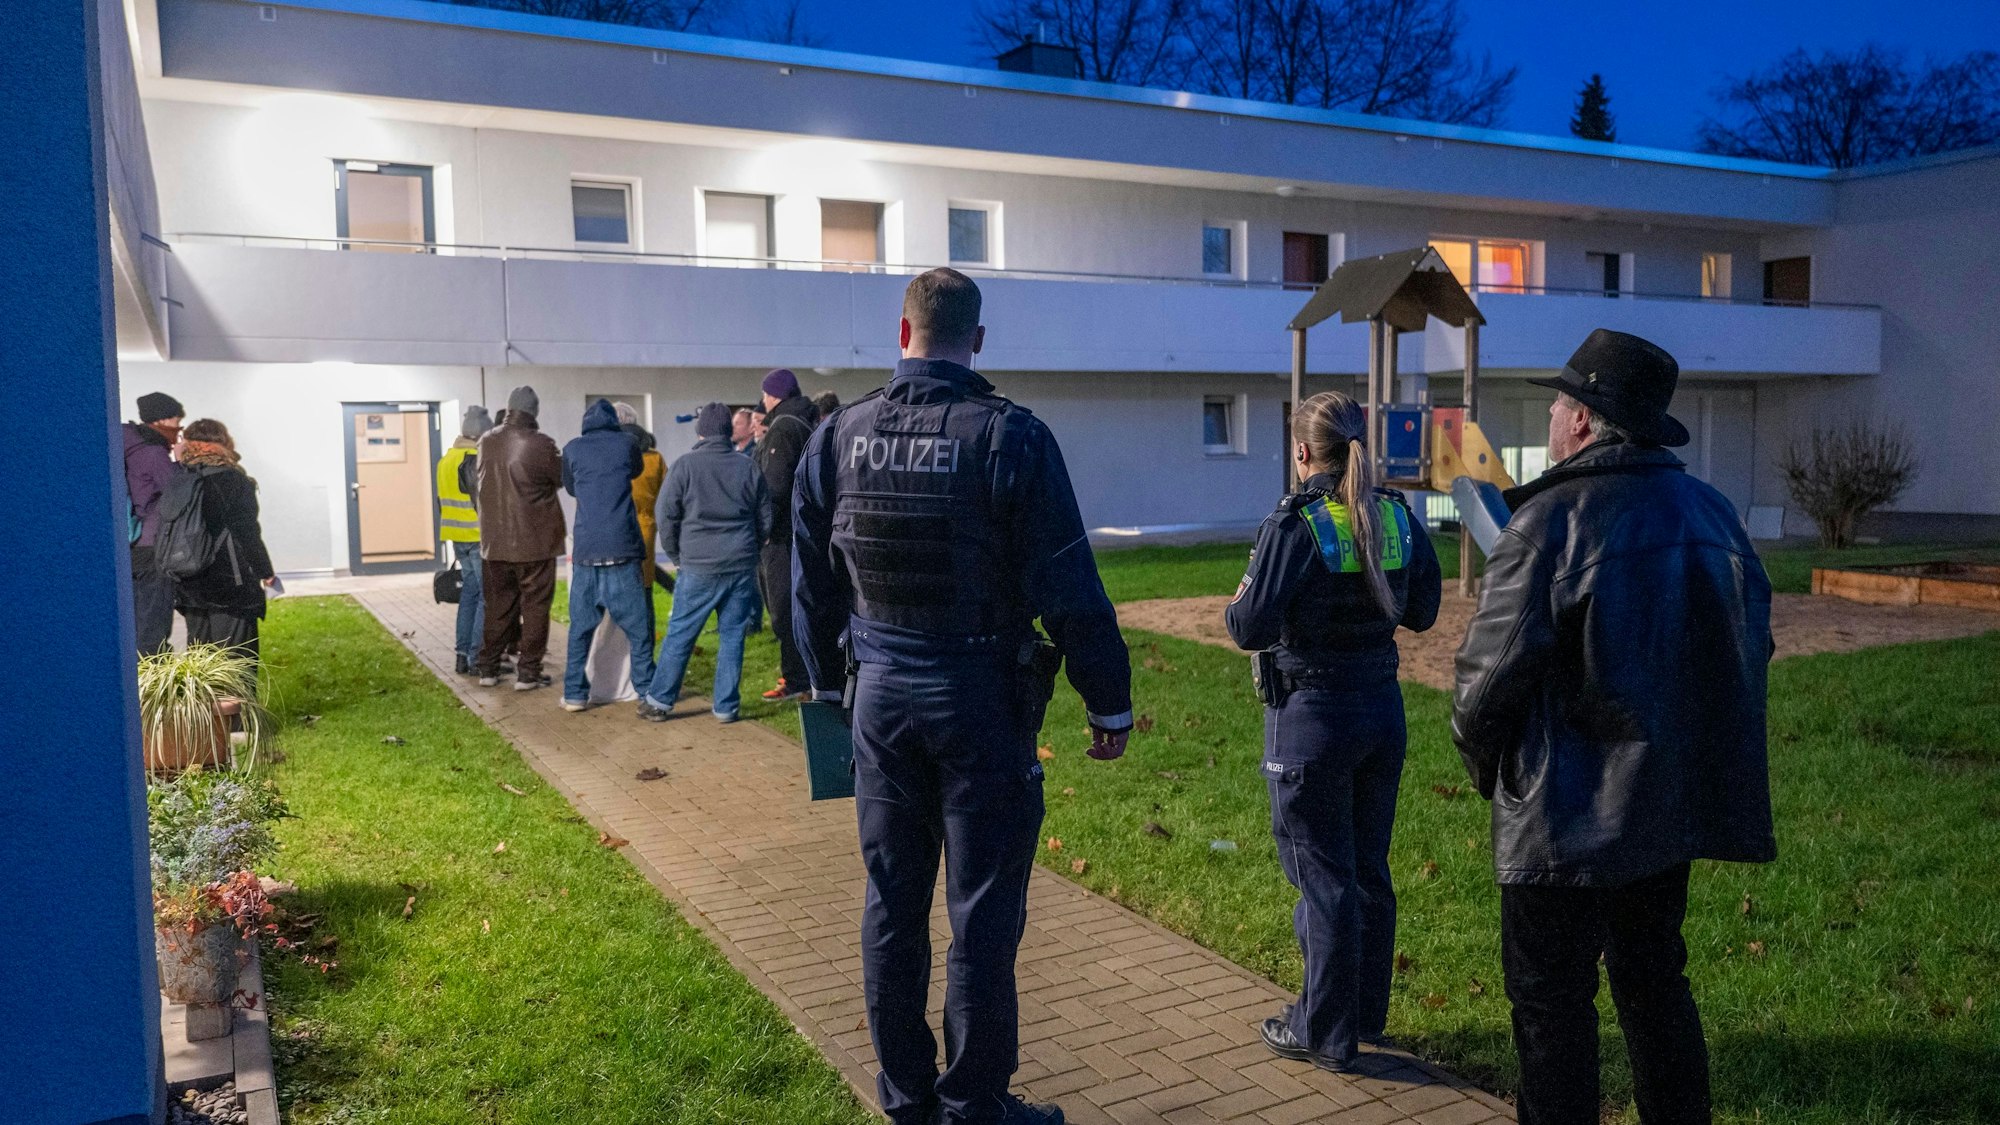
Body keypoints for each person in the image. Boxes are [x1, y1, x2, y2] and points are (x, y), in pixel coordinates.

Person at [793, 268, 1134, 1125]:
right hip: (980, 699)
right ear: (976, 340)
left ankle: (907, 1097)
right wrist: (1108, 700)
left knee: (892, 904)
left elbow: (809, 581)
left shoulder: (838, 436)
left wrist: (830, 685)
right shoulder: (1011, 438)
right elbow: (1069, 583)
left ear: (902, 331)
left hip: (878, 700)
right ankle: (975, 1104)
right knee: (981, 915)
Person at [1453, 329, 1776, 1125]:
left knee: (1551, 1006)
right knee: (1656, 983)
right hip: (1664, 810)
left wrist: (1493, 768)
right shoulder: (1713, 513)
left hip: (1561, 820)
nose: (1551, 417)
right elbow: (1750, 648)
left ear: (1584, 421)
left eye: (1558, 404)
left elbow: (1482, 689)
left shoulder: (1547, 522)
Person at [1223, 391, 1440, 1071]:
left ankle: (1323, 1031)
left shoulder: (1297, 524)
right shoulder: (1396, 515)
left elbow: (1247, 626)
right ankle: (1362, 1014)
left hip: (1313, 719)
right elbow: (1424, 612)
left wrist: (1244, 593)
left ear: (1301, 452)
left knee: (1323, 879)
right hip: (1381, 711)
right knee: (1366, 870)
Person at [639, 402, 771, 724]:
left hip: (698, 565)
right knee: (733, 636)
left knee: (681, 633)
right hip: (740, 564)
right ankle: (726, 706)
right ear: (727, 431)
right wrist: (750, 550)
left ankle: (660, 701)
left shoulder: (684, 466)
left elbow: (665, 516)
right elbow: (765, 517)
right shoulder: (748, 467)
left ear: (701, 432)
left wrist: (677, 556)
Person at [557, 399, 658, 712]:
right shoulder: (627, 444)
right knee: (639, 631)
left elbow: (571, 488)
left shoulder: (572, 449)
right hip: (622, 550)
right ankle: (646, 690)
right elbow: (636, 470)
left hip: (587, 552)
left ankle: (574, 694)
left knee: (580, 630)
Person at [474, 386, 566, 692]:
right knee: (535, 607)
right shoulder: (542, 444)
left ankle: (488, 668)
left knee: (498, 607)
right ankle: (528, 673)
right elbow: (561, 478)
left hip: (494, 543)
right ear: (534, 411)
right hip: (535, 542)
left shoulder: (486, 441)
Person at [172, 420, 277, 664]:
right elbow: (247, 532)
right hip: (230, 584)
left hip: (189, 581)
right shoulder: (233, 479)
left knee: (201, 664)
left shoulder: (180, 478)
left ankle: (205, 692)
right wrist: (265, 571)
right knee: (235, 662)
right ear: (224, 442)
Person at [753, 368, 819, 703]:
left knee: (783, 610)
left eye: (765, 394)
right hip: (800, 530)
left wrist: (763, 531)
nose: (763, 400)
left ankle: (797, 680)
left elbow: (774, 488)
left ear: (774, 395)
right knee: (796, 606)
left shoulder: (783, 428)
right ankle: (804, 676)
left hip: (780, 537)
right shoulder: (804, 422)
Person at [124, 391, 186, 655]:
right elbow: (177, 494)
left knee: (139, 617)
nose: (179, 428)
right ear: (161, 420)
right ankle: (152, 672)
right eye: (177, 421)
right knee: (154, 621)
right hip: (154, 545)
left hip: (135, 544)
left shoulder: (131, 448)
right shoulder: (153, 453)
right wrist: (180, 461)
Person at [438, 405, 492, 675]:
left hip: (456, 535)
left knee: (469, 592)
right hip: (476, 535)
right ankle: (476, 657)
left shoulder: (446, 459)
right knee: (485, 595)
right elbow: (483, 501)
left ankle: (461, 655)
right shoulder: (474, 458)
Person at [615, 402, 667, 590]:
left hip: (615, 531)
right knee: (645, 588)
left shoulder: (608, 456)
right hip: (646, 528)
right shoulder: (655, 458)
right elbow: (667, 496)